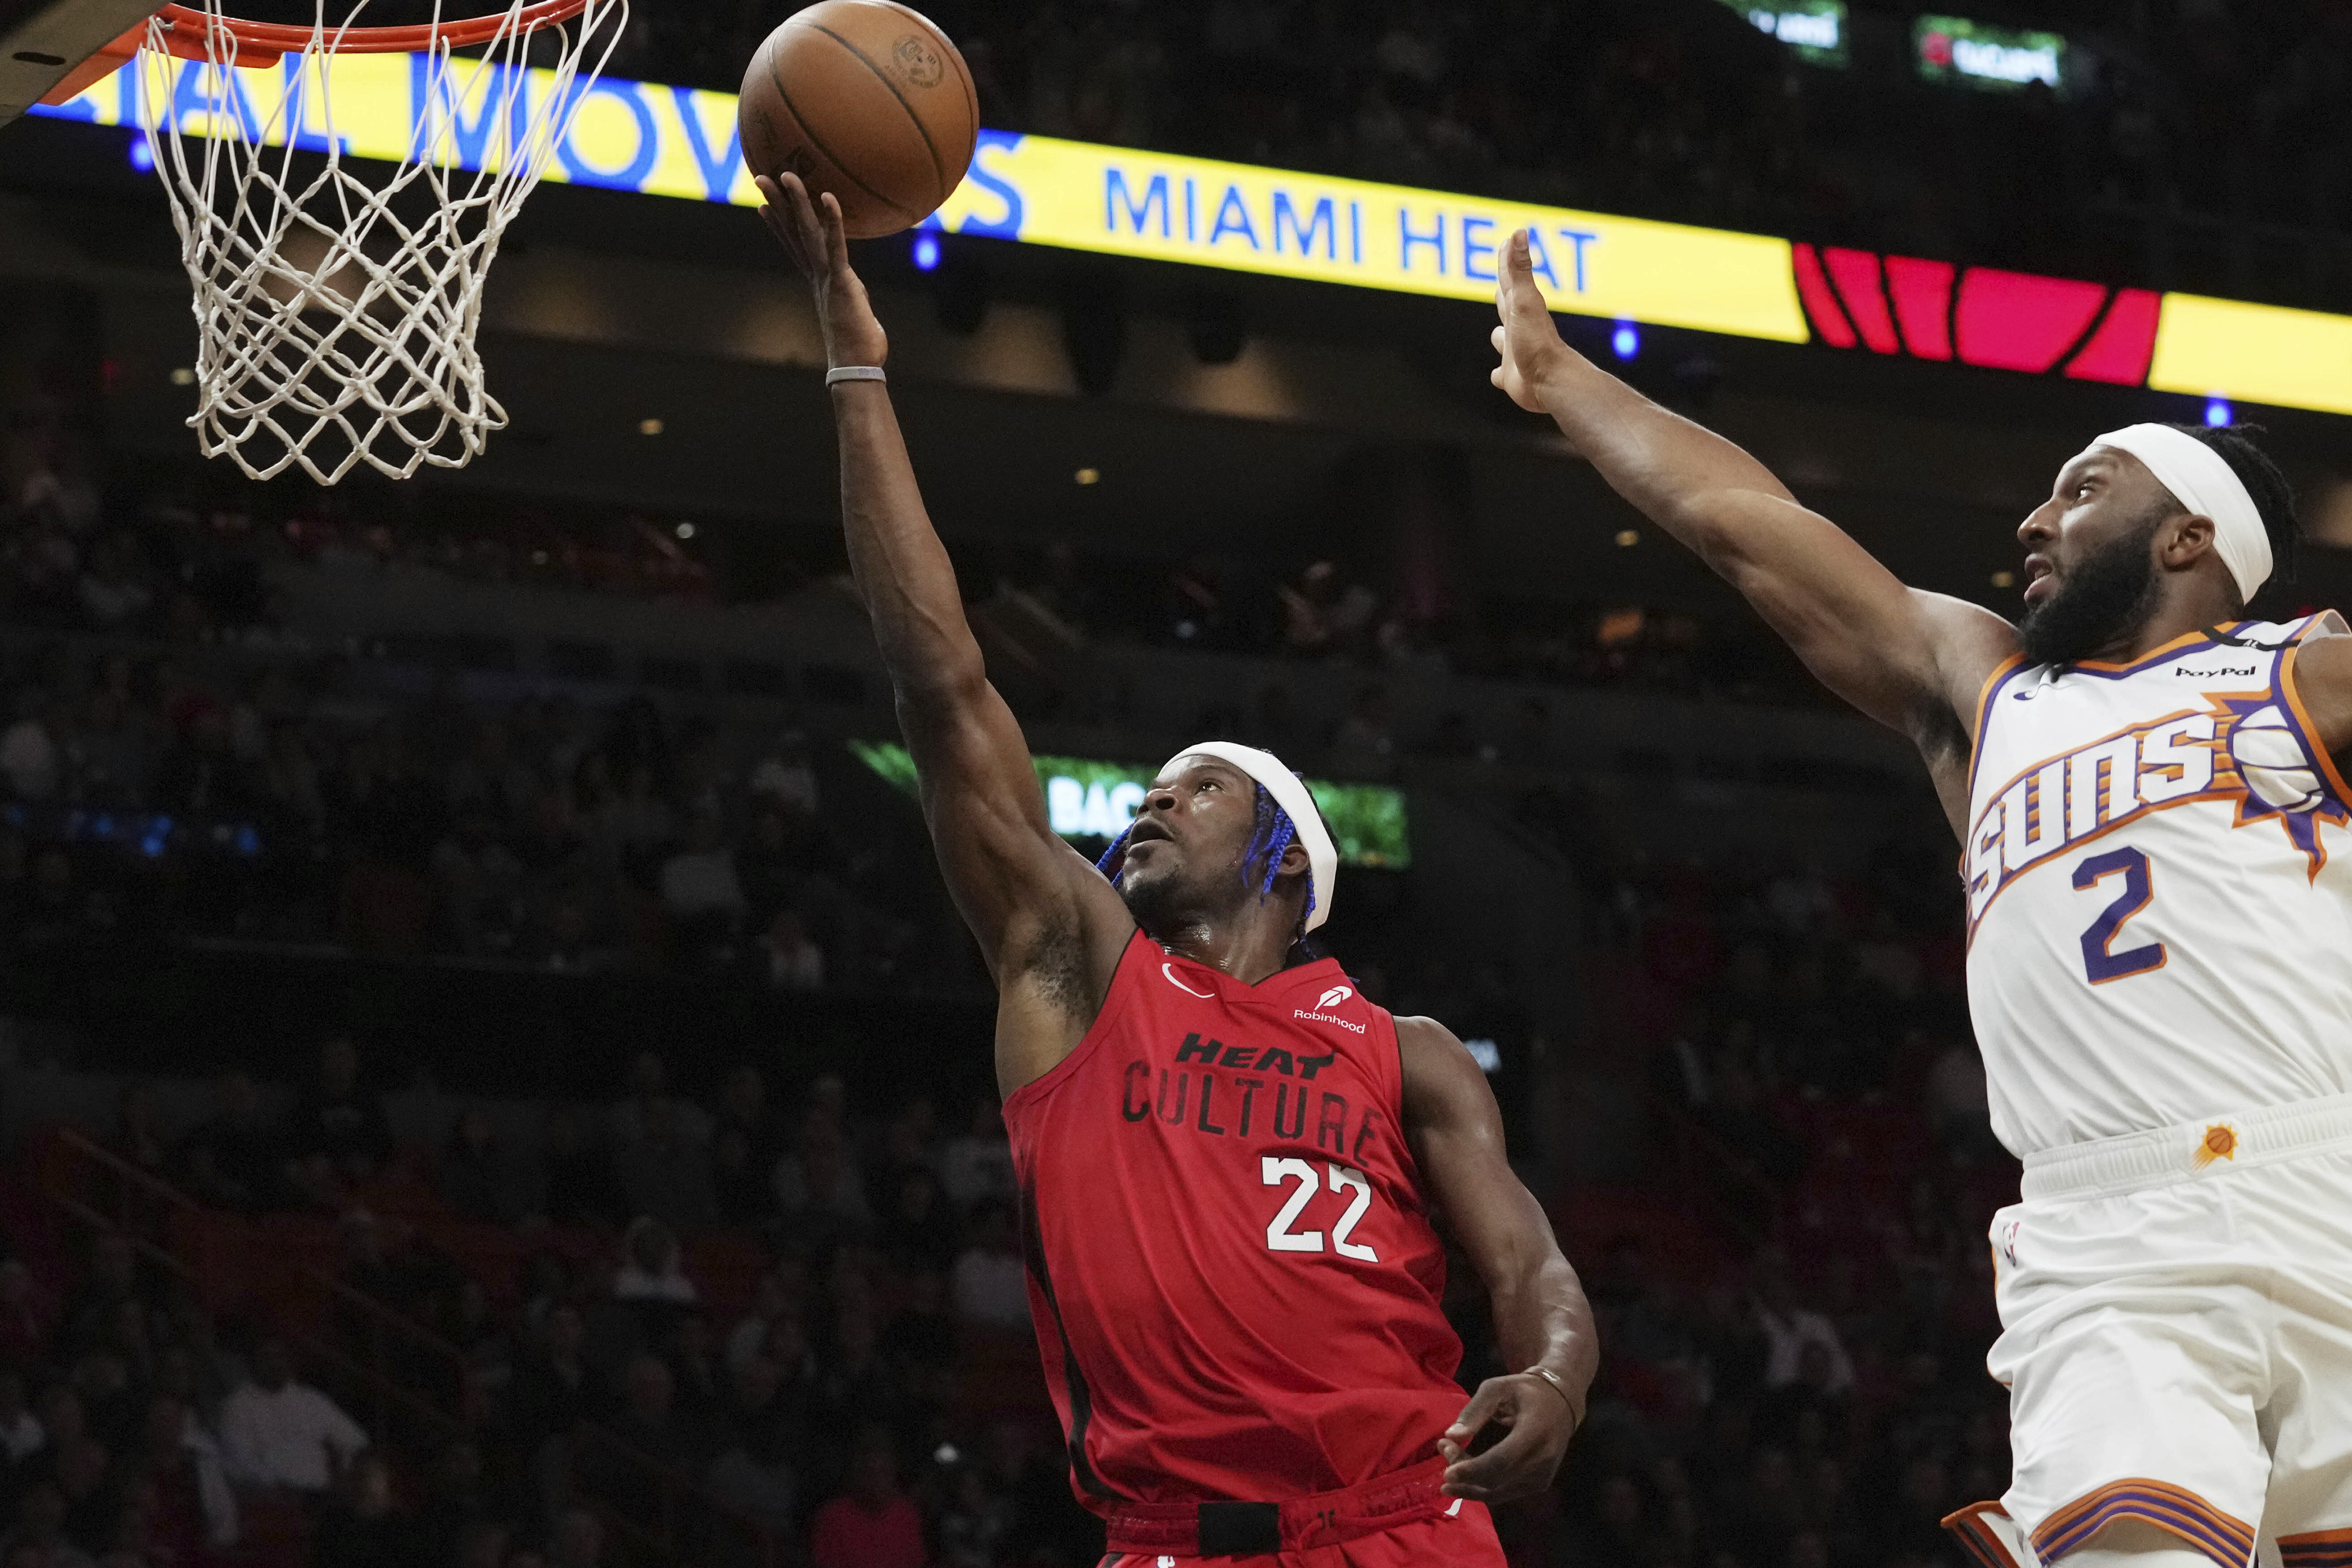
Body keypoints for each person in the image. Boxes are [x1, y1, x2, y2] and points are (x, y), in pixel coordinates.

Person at [758, 171, 1595, 1567]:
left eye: (1193, 787)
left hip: (1408, 1523)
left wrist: (1554, 1372)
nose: (1148, 802)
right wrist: (854, 367)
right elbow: (946, 690)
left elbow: (1531, 1268)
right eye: (1145, 789)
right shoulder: (1077, 973)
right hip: (1173, 1536)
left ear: (1279, 847)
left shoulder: (1409, 1053)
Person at [1487, 225, 2349, 1568]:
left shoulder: (2308, 669)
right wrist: (1560, 380)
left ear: (2184, 534)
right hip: (2109, 1226)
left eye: (2078, 488)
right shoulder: (1983, 685)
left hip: (2326, 1170)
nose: (2029, 518)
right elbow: (1742, 525)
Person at [217, 1336, 367, 1493]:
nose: (275, 1364)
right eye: (268, 1358)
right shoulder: (238, 1405)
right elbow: (240, 1463)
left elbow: (356, 1441)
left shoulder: (311, 1400)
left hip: (325, 1494)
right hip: (275, 1498)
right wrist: (277, 1487)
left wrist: (344, 1472)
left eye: (280, 1357)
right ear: (255, 1363)